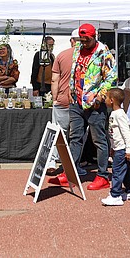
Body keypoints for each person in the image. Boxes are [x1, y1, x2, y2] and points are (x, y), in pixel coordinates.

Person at [61, 23, 117, 191]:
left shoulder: (103, 52)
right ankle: (70, 172)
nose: (84, 43)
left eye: (87, 40)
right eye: (81, 40)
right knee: (75, 137)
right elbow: (75, 71)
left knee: (99, 139)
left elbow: (111, 77)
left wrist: (100, 96)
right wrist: (71, 90)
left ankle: (102, 175)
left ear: (94, 37)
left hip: (94, 104)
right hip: (77, 101)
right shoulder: (78, 49)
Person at [47, 29, 78, 178]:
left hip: (63, 99)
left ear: (72, 40)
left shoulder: (61, 55)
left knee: (58, 133)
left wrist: (54, 98)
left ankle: (52, 162)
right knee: (77, 136)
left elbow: (55, 79)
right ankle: (72, 165)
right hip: (80, 101)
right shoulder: (89, 56)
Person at [101, 88, 130, 206]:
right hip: (117, 148)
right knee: (126, 170)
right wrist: (112, 147)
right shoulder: (114, 113)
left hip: (122, 149)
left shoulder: (120, 114)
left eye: (106, 97)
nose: (105, 100)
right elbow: (114, 134)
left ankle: (115, 195)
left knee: (117, 171)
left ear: (112, 100)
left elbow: (126, 132)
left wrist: (129, 149)